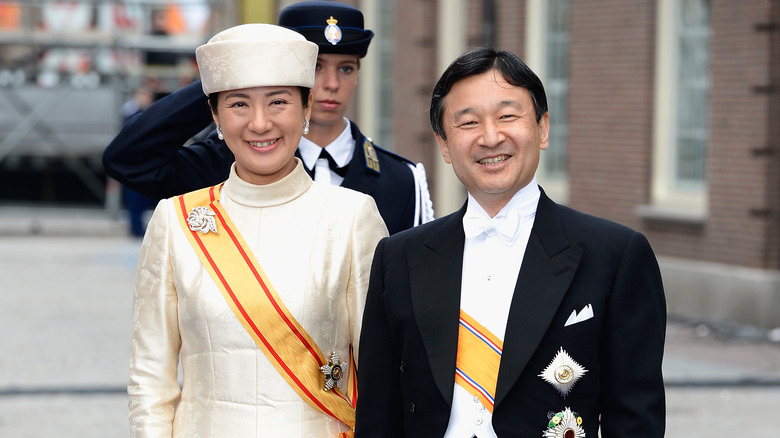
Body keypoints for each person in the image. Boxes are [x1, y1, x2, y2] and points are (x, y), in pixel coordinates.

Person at [354, 48, 666, 438]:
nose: (490, 137)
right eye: (468, 122)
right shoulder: (398, 258)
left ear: (543, 128)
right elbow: (377, 416)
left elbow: (636, 419)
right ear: (445, 145)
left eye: (507, 116)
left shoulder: (615, 256)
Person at [128, 23, 388, 437]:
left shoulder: (352, 216)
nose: (260, 123)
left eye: (279, 102)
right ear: (213, 115)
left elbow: (382, 370)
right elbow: (150, 380)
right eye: (238, 104)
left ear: (306, 110)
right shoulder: (175, 221)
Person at [102, 1, 433, 235]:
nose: (332, 84)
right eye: (316, 67)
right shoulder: (229, 162)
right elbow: (129, 159)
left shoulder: (401, 180)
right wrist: (225, 77)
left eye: (346, 68)